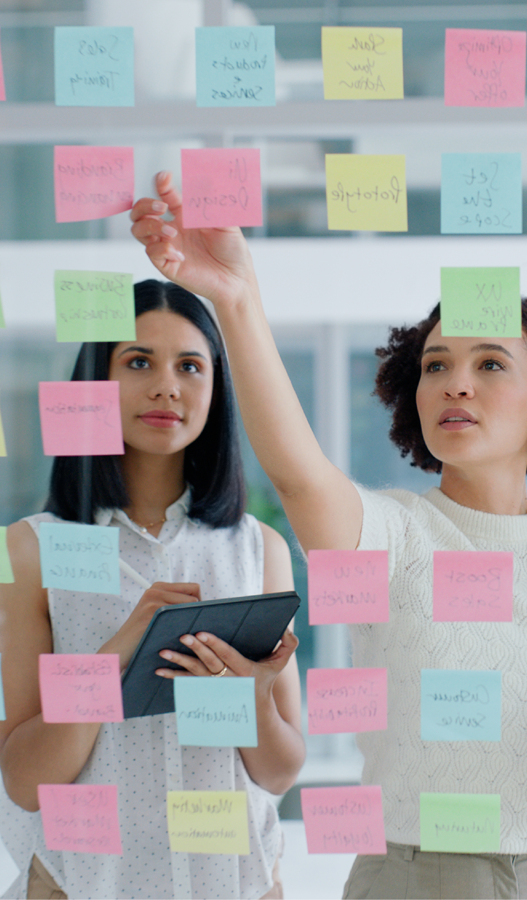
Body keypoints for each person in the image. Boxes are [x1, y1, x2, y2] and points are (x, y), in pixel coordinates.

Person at [131, 171, 527, 900]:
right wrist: (234, 297)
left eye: (490, 364)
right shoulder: (393, 536)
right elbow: (295, 473)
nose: (456, 383)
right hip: (417, 878)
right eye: (436, 365)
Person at [0, 280, 306, 900]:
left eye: (190, 366)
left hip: (238, 883)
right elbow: (26, 779)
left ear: (216, 389)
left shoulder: (258, 549)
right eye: (138, 361)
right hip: (82, 885)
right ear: (94, 382)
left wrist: (251, 698)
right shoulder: (29, 549)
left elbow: (278, 773)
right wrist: (116, 655)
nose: (167, 385)